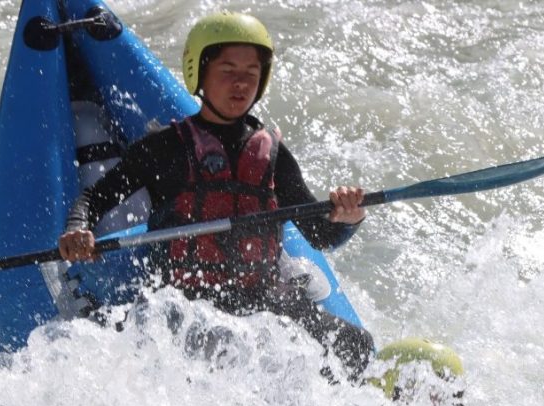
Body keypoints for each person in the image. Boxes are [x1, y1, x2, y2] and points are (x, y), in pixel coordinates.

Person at [59, 12, 374, 380]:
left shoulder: (273, 156)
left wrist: (350, 216)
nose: (240, 83)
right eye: (228, 70)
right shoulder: (165, 148)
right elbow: (96, 197)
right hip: (186, 308)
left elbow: (322, 235)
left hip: (263, 304)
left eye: (251, 73)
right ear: (200, 73)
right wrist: (79, 229)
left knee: (357, 346)